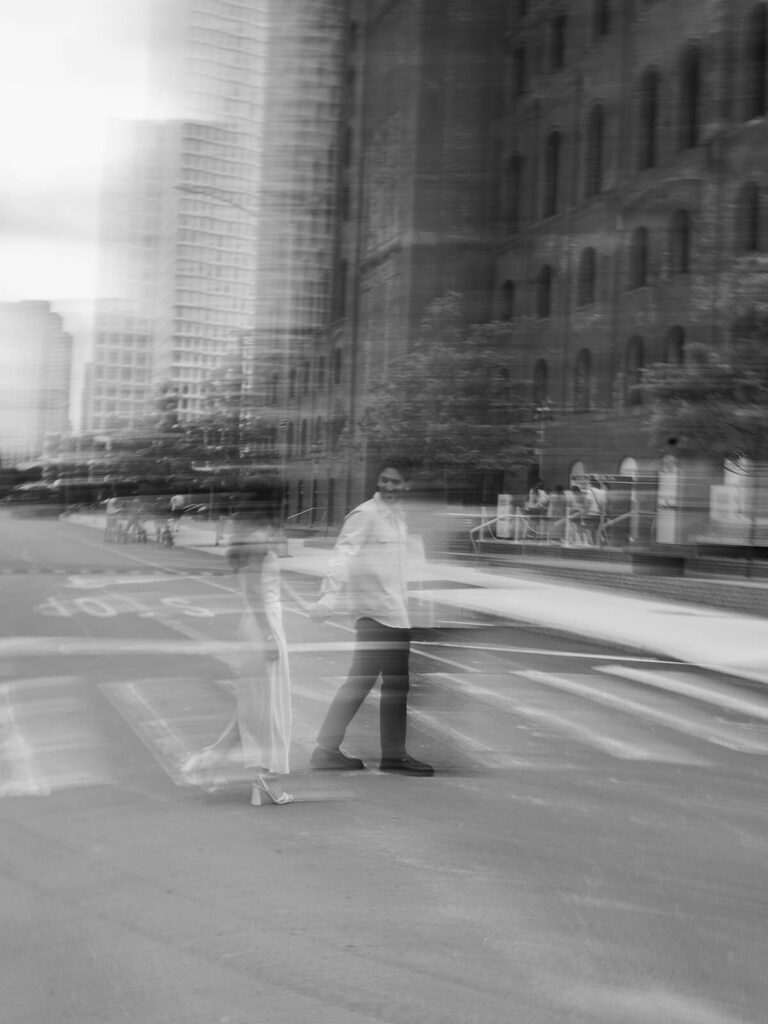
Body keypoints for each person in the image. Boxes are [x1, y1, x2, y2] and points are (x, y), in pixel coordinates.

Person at [309, 457, 434, 776]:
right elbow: (343, 554)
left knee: (374, 683)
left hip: (394, 611)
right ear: (377, 481)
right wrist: (330, 593)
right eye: (385, 480)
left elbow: (403, 565)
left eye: (396, 481)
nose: (390, 486)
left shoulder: (398, 518)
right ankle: (387, 755)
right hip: (375, 613)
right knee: (382, 684)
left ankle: (333, 750)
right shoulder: (366, 514)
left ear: (406, 484)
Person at [182, 477, 294, 805]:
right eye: (283, 501)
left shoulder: (251, 536)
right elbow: (257, 592)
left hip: (257, 623)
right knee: (268, 706)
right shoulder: (259, 539)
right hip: (264, 624)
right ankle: (266, 778)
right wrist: (270, 635)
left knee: (255, 704)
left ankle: (210, 763)